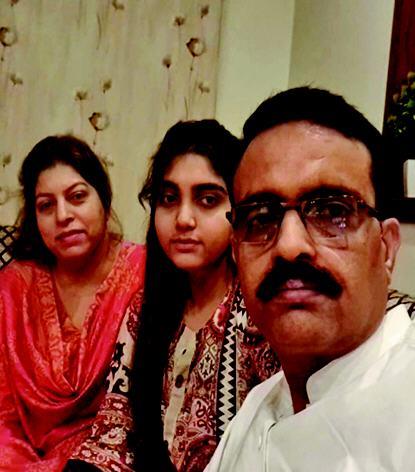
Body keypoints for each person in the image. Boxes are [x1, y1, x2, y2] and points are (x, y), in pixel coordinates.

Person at [206, 87, 415, 471]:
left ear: (386, 248)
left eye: (333, 212)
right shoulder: (258, 407)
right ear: (236, 253)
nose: (289, 246)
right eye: (260, 218)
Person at [70, 120, 279, 471]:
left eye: (207, 200)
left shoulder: (260, 316)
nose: (183, 219)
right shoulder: (144, 309)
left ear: (240, 209)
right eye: (169, 199)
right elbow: (114, 429)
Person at [0, 135, 146, 471]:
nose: (63, 215)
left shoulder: (144, 273)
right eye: (46, 206)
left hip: (112, 457)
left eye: (77, 196)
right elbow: (3, 412)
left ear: (103, 199)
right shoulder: (14, 288)